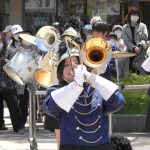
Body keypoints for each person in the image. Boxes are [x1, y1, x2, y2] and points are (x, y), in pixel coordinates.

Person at [43, 38, 125, 150]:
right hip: (72, 147)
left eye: (77, 62)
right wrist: (76, 85)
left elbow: (118, 102)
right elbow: (50, 108)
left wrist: (92, 78)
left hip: (102, 146)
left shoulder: (96, 88)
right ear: (60, 71)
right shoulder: (55, 90)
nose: (73, 67)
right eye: (67, 64)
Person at [0, 29, 24, 134]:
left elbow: (15, 63)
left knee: (14, 105)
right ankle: (1, 124)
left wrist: (6, 62)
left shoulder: (9, 48)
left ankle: (18, 127)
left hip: (9, 81)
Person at [122, 7, 148, 74]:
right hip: (130, 53)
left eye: (137, 15)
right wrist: (133, 47)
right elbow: (126, 40)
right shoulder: (125, 27)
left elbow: (145, 37)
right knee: (130, 72)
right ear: (129, 15)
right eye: (133, 14)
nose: (135, 16)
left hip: (141, 52)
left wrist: (140, 46)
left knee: (141, 72)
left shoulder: (142, 26)